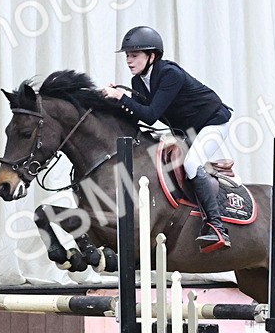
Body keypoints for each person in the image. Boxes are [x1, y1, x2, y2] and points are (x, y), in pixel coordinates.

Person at [100, 26, 233, 251]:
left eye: (134, 55)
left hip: (213, 122)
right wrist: (111, 102)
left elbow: (151, 115)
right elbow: (135, 116)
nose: (129, 61)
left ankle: (217, 227)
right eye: (127, 56)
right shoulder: (137, 82)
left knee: (191, 164)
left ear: (152, 56)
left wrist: (121, 96)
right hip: (186, 131)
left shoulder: (170, 74)